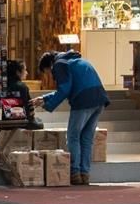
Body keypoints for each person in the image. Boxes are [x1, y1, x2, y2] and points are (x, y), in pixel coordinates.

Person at [40, 49, 110, 186]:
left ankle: (75, 173)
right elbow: (69, 87)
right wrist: (44, 98)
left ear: (49, 65)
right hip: (99, 99)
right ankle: (85, 173)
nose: (50, 75)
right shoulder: (76, 60)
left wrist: (48, 105)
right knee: (86, 138)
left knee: (73, 136)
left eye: (48, 72)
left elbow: (65, 89)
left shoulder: (59, 64)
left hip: (83, 100)